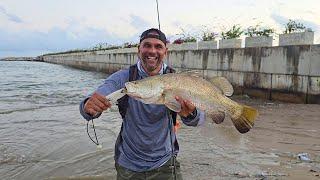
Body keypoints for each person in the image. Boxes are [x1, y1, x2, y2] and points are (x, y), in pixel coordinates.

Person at [79, 28, 203, 180]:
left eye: (158, 46)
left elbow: (199, 119)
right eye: (147, 45)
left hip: (165, 162)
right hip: (128, 164)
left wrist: (191, 114)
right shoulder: (124, 78)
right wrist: (89, 106)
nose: (152, 51)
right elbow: (99, 96)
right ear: (139, 50)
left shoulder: (177, 79)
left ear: (166, 52)